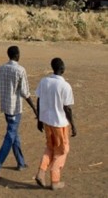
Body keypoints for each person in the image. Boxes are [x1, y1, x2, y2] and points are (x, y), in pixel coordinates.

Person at [0, 45, 37, 180]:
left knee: (14, 134)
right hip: (15, 109)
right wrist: (34, 109)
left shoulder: (1, 68)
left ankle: (20, 162)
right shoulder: (20, 70)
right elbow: (25, 93)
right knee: (10, 136)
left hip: (5, 107)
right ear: (17, 55)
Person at [35, 57, 76, 190]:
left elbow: (39, 101)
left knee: (50, 147)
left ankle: (41, 171)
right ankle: (55, 180)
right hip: (60, 123)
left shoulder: (44, 81)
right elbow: (67, 108)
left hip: (47, 121)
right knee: (62, 151)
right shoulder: (65, 86)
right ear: (62, 69)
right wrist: (73, 125)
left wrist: (39, 119)